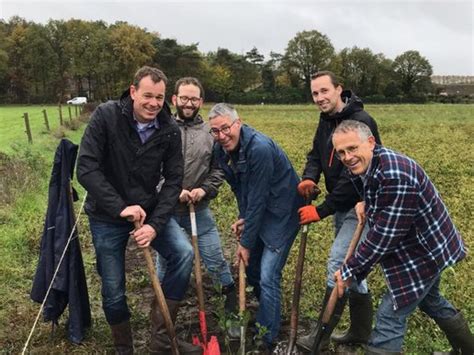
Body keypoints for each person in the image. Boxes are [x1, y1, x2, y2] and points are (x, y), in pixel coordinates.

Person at [77, 66, 200, 354]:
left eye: (159, 98)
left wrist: (154, 225)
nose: (153, 104)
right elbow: (86, 168)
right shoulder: (107, 116)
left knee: (183, 253)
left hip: (148, 211)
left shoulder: (168, 129)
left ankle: (161, 337)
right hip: (106, 215)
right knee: (113, 287)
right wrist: (120, 208)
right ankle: (124, 347)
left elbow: (173, 181)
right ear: (133, 92)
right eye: (147, 96)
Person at [331, 119, 474, 354]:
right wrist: (368, 202)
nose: (347, 157)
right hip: (423, 242)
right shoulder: (374, 164)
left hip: (425, 252)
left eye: (352, 148)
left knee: (390, 314)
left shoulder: (395, 175)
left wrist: (350, 270)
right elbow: (385, 201)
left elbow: (385, 237)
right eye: (341, 152)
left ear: (370, 142)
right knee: (431, 300)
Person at [296, 71, 382, 352]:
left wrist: (320, 210)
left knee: (339, 265)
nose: (319, 98)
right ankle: (359, 333)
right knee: (354, 270)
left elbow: (353, 180)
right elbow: (315, 154)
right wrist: (310, 177)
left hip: (363, 208)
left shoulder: (360, 122)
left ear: (339, 90)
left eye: (324, 91)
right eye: (315, 94)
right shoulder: (325, 121)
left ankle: (319, 338)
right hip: (342, 206)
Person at [208, 103, 303, 352]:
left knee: (269, 274)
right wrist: (244, 217)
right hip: (260, 209)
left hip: (283, 211)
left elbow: (259, 197)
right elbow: (241, 189)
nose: (221, 135)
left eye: (226, 128)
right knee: (252, 273)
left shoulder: (259, 149)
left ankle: (266, 335)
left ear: (238, 123)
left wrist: (246, 242)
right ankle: (269, 312)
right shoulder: (221, 150)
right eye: (215, 131)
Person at [156, 77, 237, 323]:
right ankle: (164, 321)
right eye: (184, 98)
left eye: (193, 98)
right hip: (167, 213)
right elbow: (150, 170)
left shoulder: (210, 134)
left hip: (199, 210)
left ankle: (232, 317)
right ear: (175, 99)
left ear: (200, 101)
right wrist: (171, 190)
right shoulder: (161, 129)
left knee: (216, 262)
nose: (188, 103)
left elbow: (219, 168)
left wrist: (205, 189)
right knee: (166, 266)